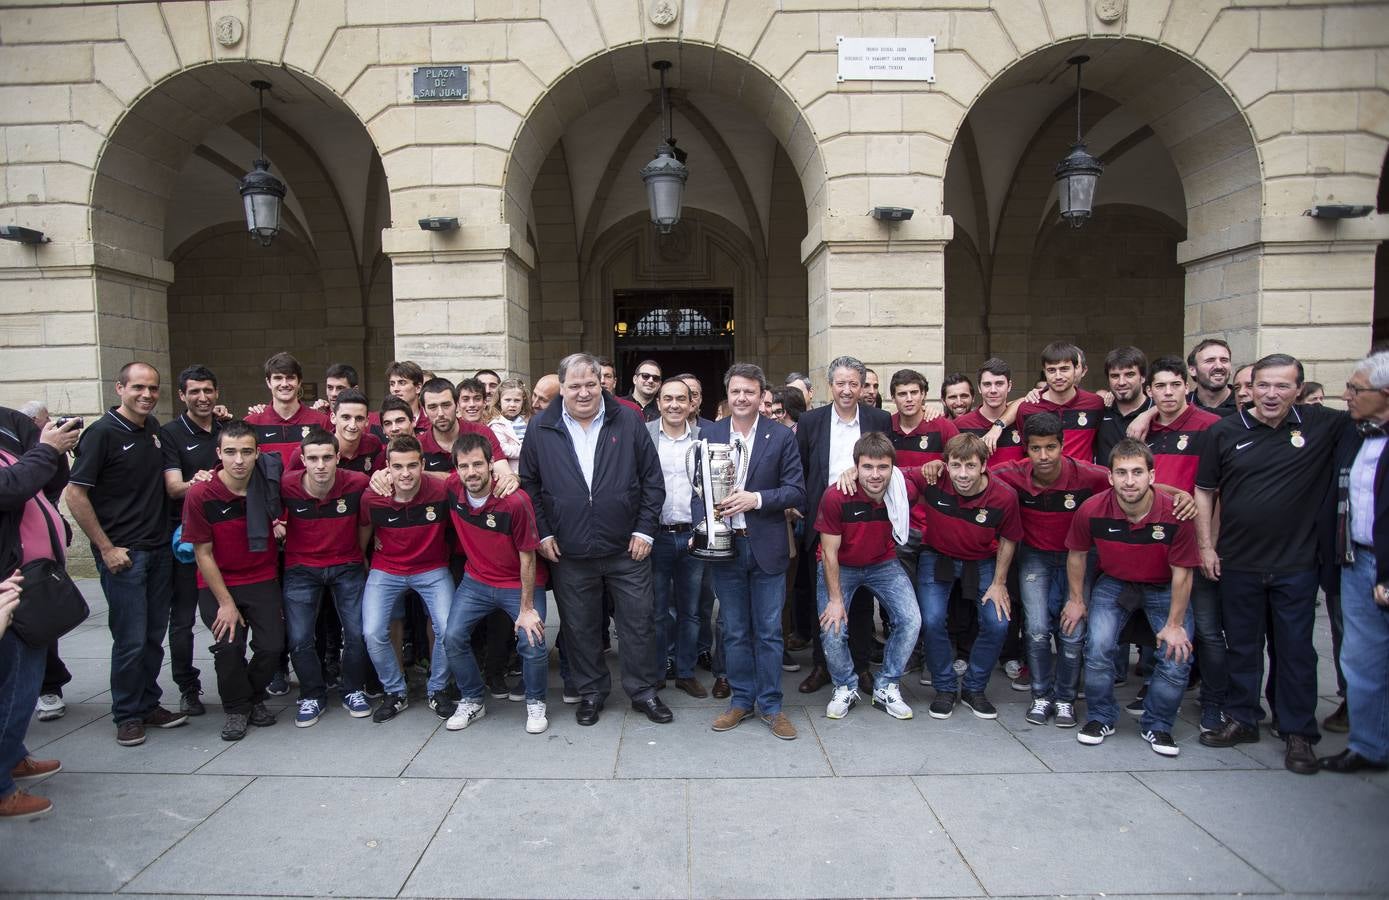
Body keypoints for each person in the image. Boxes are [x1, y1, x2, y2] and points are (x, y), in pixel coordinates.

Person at [1194, 353, 1345, 774]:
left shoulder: (1323, 426)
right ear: (1250, 387)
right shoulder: (1224, 432)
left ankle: (1298, 731)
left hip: (1297, 563)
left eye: (1282, 386)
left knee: (1296, 650)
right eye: (1263, 385)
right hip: (1238, 561)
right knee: (1241, 646)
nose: (1271, 394)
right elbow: (1205, 491)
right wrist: (1206, 546)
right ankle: (1242, 718)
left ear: (1300, 389)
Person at [519, 353, 670, 726]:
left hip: (627, 547)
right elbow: (530, 485)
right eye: (575, 386)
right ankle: (591, 692)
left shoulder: (628, 419)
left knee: (638, 623)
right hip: (570, 549)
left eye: (591, 384)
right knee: (579, 626)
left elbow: (652, 479)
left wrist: (644, 529)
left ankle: (644, 691)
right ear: (562, 388)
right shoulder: (541, 426)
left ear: (602, 383)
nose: (584, 393)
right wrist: (545, 532)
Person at [66, 362, 189, 747]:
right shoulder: (101, 434)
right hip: (125, 555)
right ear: (120, 388)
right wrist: (105, 548)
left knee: (153, 636)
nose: (147, 395)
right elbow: (75, 495)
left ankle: (148, 703)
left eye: (153, 388)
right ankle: (127, 714)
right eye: (138, 387)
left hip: (158, 550)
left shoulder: (152, 430)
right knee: (130, 638)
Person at [1063, 439, 1198, 756]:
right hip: (1115, 582)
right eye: (1121, 473)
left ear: (1152, 475)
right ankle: (1100, 716)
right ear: (1109, 477)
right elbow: (1077, 555)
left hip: (1163, 585)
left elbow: (1183, 574)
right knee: (1097, 647)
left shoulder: (1175, 513)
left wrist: (1175, 624)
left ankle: (1158, 724)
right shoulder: (1092, 509)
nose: (1129, 481)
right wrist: (1076, 600)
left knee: (1176, 655)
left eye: (1137, 472)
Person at [697, 363, 806, 739]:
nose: (742, 398)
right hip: (725, 548)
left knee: (769, 632)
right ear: (726, 395)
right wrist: (707, 513)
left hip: (766, 548)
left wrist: (755, 499)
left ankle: (772, 707)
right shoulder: (708, 434)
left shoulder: (780, 437)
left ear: (762, 397)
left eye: (749, 392)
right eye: (735, 391)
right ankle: (741, 701)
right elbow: (696, 488)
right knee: (735, 631)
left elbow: (795, 491)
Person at [991, 413, 1110, 727]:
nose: (1043, 456)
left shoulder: (1089, 475)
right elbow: (972, 475)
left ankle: (1066, 699)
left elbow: (1128, 481)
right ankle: (1041, 695)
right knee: (1037, 629)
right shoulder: (1012, 473)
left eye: (1050, 448)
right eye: (1035, 449)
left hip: (1079, 559)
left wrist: (1177, 495)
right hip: (1035, 559)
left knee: (1074, 631)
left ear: (1063, 445)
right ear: (1026, 450)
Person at [182, 421, 285, 742]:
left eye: (246, 452)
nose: (238, 460)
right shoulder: (201, 493)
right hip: (218, 581)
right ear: (218, 454)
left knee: (272, 646)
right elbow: (203, 553)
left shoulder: (269, 484)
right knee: (228, 648)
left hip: (262, 577)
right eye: (230, 452)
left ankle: (253, 695)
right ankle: (238, 708)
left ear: (257, 454)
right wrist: (225, 603)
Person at [794, 356, 892, 694]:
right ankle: (822, 666)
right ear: (830, 385)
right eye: (841, 383)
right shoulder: (811, 422)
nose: (847, 390)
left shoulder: (879, 419)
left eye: (854, 383)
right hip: (823, 521)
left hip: (866, 522)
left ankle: (861, 666)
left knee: (862, 600)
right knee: (822, 598)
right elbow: (803, 469)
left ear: (863, 386)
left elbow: (889, 467)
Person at [441, 434, 550, 734]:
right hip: (476, 580)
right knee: (453, 637)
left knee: (533, 641)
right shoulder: (452, 487)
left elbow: (528, 557)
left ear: (491, 464)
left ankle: (536, 701)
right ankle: (473, 698)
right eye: (464, 466)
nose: (471, 472)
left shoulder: (515, 501)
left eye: (478, 464)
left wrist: (526, 609)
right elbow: (423, 477)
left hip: (519, 582)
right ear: (456, 469)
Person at [0, 407, 79, 820]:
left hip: (33, 585)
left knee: (27, 680)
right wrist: (45, 449)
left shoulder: (11, 438)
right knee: (11, 687)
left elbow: (46, 484)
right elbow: (11, 489)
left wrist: (55, 452)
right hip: (9, 587)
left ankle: (12, 755)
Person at [1140, 356, 1225, 732]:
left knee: (1205, 630)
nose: (1168, 392)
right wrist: (1142, 419)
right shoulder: (1146, 430)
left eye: (1174, 385)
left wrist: (1210, 544)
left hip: (1197, 542)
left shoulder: (1212, 427)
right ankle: (1157, 688)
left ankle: (1214, 703)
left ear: (1186, 386)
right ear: (1150, 391)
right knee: (1160, 626)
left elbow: (1218, 491)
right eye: (1160, 386)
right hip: (1156, 544)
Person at [911, 433, 1022, 720]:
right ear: (946, 464)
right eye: (956, 465)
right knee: (932, 620)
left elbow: (1009, 539)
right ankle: (945, 687)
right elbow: (891, 474)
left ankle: (974, 688)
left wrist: (999, 584)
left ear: (984, 465)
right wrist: (852, 469)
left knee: (997, 623)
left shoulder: (1004, 496)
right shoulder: (933, 479)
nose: (962, 474)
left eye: (970, 466)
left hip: (982, 561)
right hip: (937, 556)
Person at [815, 432, 921, 720]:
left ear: (893, 469)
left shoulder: (902, 488)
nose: (875, 475)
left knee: (911, 620)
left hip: (881, 562)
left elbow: (933, 471)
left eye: (883, 467)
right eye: (867, 467)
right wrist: (835, 600)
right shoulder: (837, 495)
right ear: (855, 467)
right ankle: (845, 686)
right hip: (841, 564)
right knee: (833, 626)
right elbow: (829, 553)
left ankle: (886, 686)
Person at [1319, 351, 1389, 774]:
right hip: (1355, 560)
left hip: (1384, 565)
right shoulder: (1353, 433)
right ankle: (1369, 745)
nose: (1345, 395)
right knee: (1361, 659)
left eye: (1354, 389)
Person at [280, 428, 374, 725]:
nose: (320, 465)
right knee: (300, 637)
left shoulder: (357, 483)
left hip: (347, 564)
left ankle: (352, 689)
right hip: (301, 569)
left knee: (357, 632)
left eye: (326, 458)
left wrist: (359, 554)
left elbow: (366, 521)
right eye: (313, 459)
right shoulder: (286, 486)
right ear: (303, 461)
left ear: (337, 458)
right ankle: (312, 694)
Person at [358, 434, 455, 723]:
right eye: (397, 467)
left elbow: (464, 478)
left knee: (448, 628)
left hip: (433, 569)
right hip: (386, 569)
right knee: (373, 632)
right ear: (386, 466)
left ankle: (437, 689)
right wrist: (366, 568)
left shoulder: (439, 491)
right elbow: (362, 537)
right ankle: (395, 691)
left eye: (412, 466)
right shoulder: (372, 497)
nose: (405, 473)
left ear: (422, 465)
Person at [160, 364, 225, 717]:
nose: (203, 397)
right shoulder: (170, 433)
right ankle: (188, 686)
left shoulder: (226, 430)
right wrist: (196, 484)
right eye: (195, 392)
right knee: (183, 618)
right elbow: (172, 488)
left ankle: (233, 675)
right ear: (182, 395)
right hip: (187, 542)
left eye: (208, 390)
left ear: (217, 393)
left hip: (228, 538)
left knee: (224, 612)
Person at [645, 378, 706, 697]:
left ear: (691, 403)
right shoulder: (643, 436)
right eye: (667, 398)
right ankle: (657, 672)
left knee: (690, 610)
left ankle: (685, 671)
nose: (674, 405)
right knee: (656, 610)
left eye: (680, 399)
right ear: (658, 402)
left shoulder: (704, 438)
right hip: (656, 536)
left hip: (692, 536)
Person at [1017, 342, 1106, 463]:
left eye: (1064, 369)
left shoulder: (1095, 404)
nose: (1058, 376)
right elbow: (1026, 451)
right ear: (1044, 372)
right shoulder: (1028, 409)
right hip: (1043, 480)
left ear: (1076, 369)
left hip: (1082, 480)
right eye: (1051, 370)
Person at [244, 352, 331, 463]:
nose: (284, 384)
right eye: (278, 378)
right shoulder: (252, 423)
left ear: (299, 382)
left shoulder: (320, 421)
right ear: (268, 382)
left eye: (290, 378)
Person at [286, 389, 382, 474]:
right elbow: (288, 484)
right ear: (333, 418)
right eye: (346, 417)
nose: (352, 425)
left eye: (359, 418)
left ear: (367, 421)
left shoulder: (373, 444)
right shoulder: (309, 450)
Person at [953, 360, 1025, 467]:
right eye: (987, 384)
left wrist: (998, 426)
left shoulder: (1022, 420)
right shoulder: (960, 425)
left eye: (999, 384)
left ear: (1009, 386)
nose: (993, 390)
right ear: (979, 387)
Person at [1095, 347, 1153, 467]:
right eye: (1115, 376)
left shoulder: (1158, 413)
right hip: (1105, 485)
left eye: (1129, 374)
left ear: (1142, 377)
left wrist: (1150, 413)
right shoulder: (1100, 411)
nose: (1121, 382)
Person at [1187, 339, 1239, 417]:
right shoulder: (1183, 406)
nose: (1219, 366)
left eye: (1224, 360)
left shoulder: (1244, 403)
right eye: (1210, 361)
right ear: (1192, 370)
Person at [487, 378, 531, 470]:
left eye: (517, 400)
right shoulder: (496, 424)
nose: (512, 404)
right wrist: (528, 450)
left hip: (530, 468)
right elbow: (503, 449)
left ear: (523, 402)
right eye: (507, 400)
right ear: (499, 401)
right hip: (511, 470)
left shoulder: (526, 421)